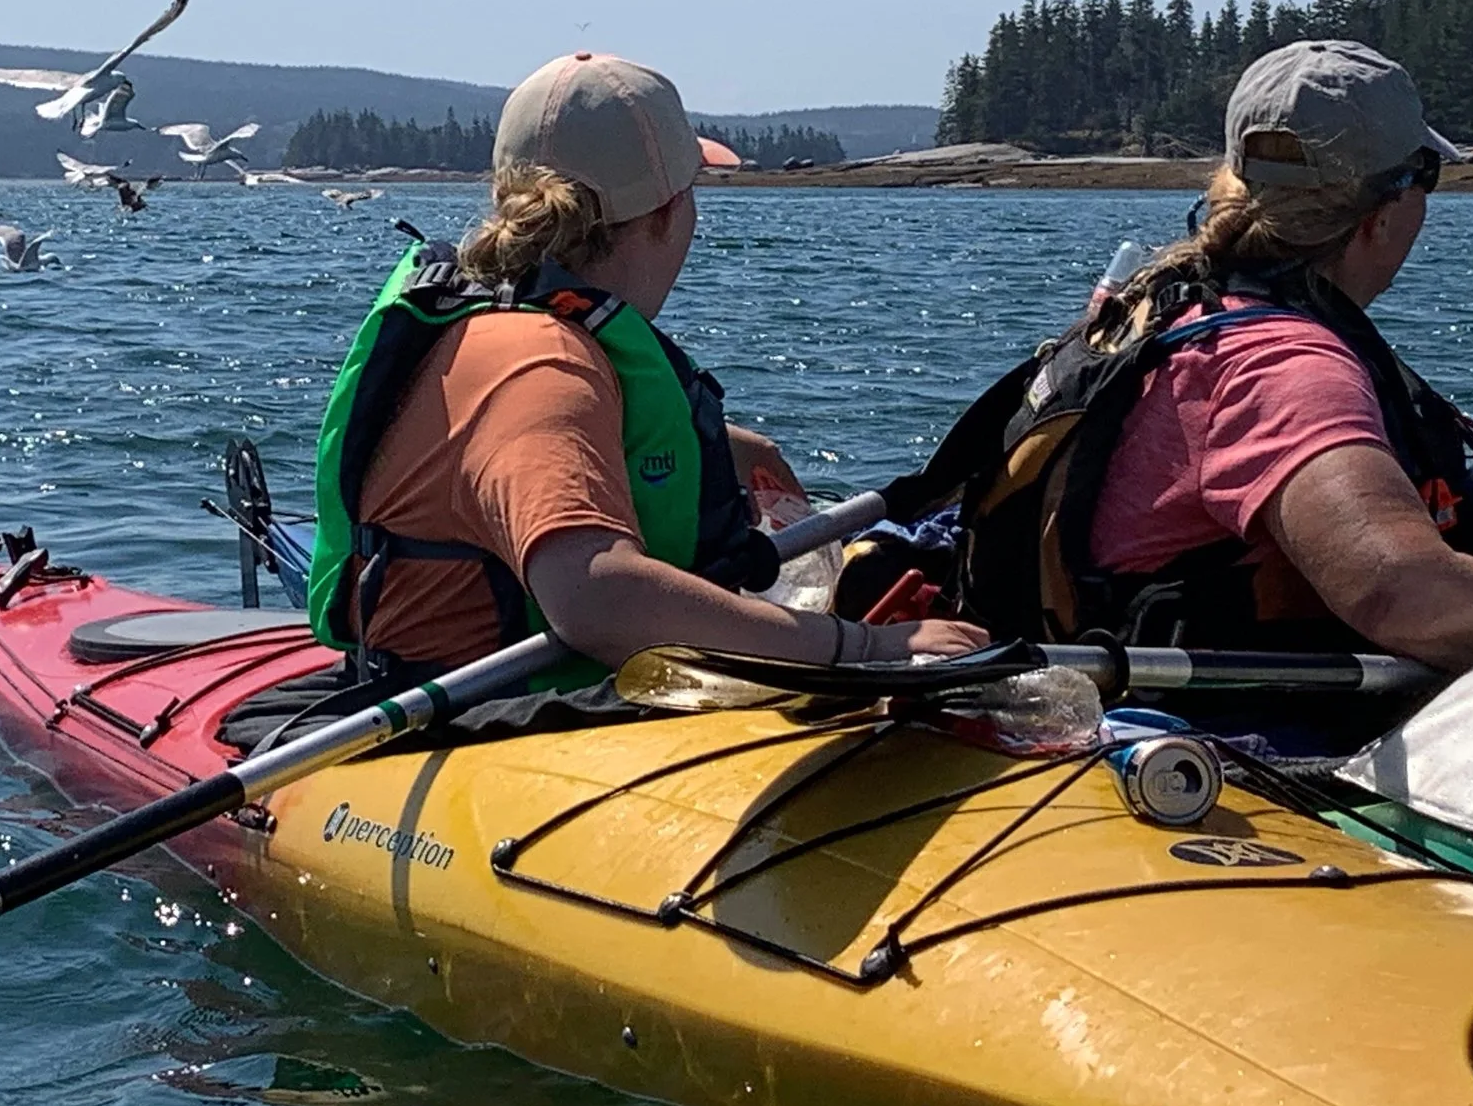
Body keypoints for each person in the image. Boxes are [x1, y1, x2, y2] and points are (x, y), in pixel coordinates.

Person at [308, 50, 987, 685]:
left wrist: (724, 446)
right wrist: (858, 645)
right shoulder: (542, 366)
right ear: (665, 213)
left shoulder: (518, 331)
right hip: (494, 719)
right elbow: (596, 595)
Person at [1056, 40, 1473, 671]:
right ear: (1383, 210)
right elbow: (1405, 595)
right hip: (1211, 732)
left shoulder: (1162, 310)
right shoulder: (1283, 366)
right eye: (1426, 174)